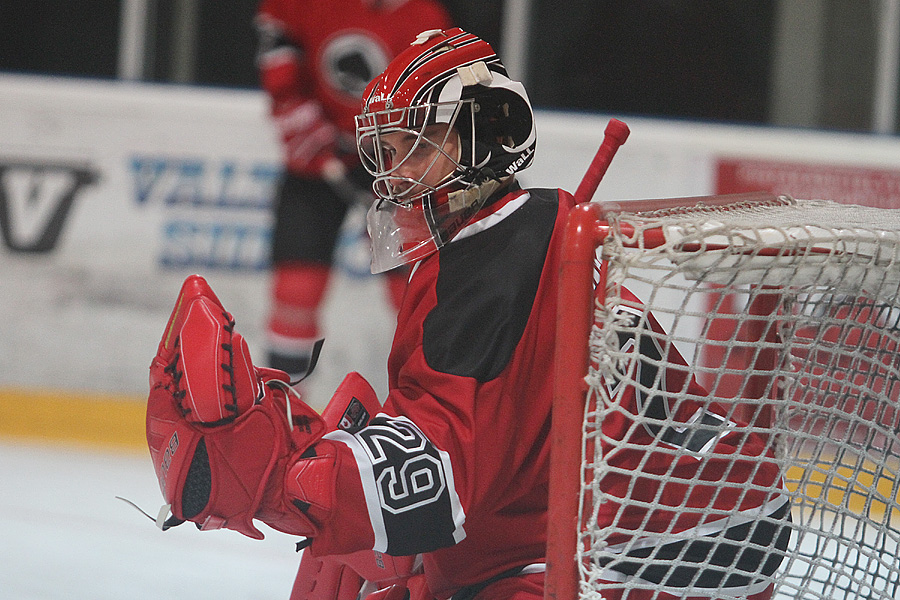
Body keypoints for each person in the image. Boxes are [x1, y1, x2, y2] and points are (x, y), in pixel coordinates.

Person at [146, 29, 791, 600]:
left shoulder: (495, 257)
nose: (393, 175)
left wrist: (288, 486)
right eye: (385, 152)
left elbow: (444, 466)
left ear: (485, 138)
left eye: (413, 148)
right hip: (676, 527)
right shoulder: (518, 238)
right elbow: (489, 452)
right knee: (372, 566)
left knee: (371, 565)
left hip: (666, 550)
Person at [254, 0, 453, 383]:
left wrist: (408, 155)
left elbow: (437, 104)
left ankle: (429, 410)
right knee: (295, 292)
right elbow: (279, 66)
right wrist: (304, 128)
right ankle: (280, 416)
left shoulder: (426, 18)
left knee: (414, 297)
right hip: (314, 166)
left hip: (395, 164)